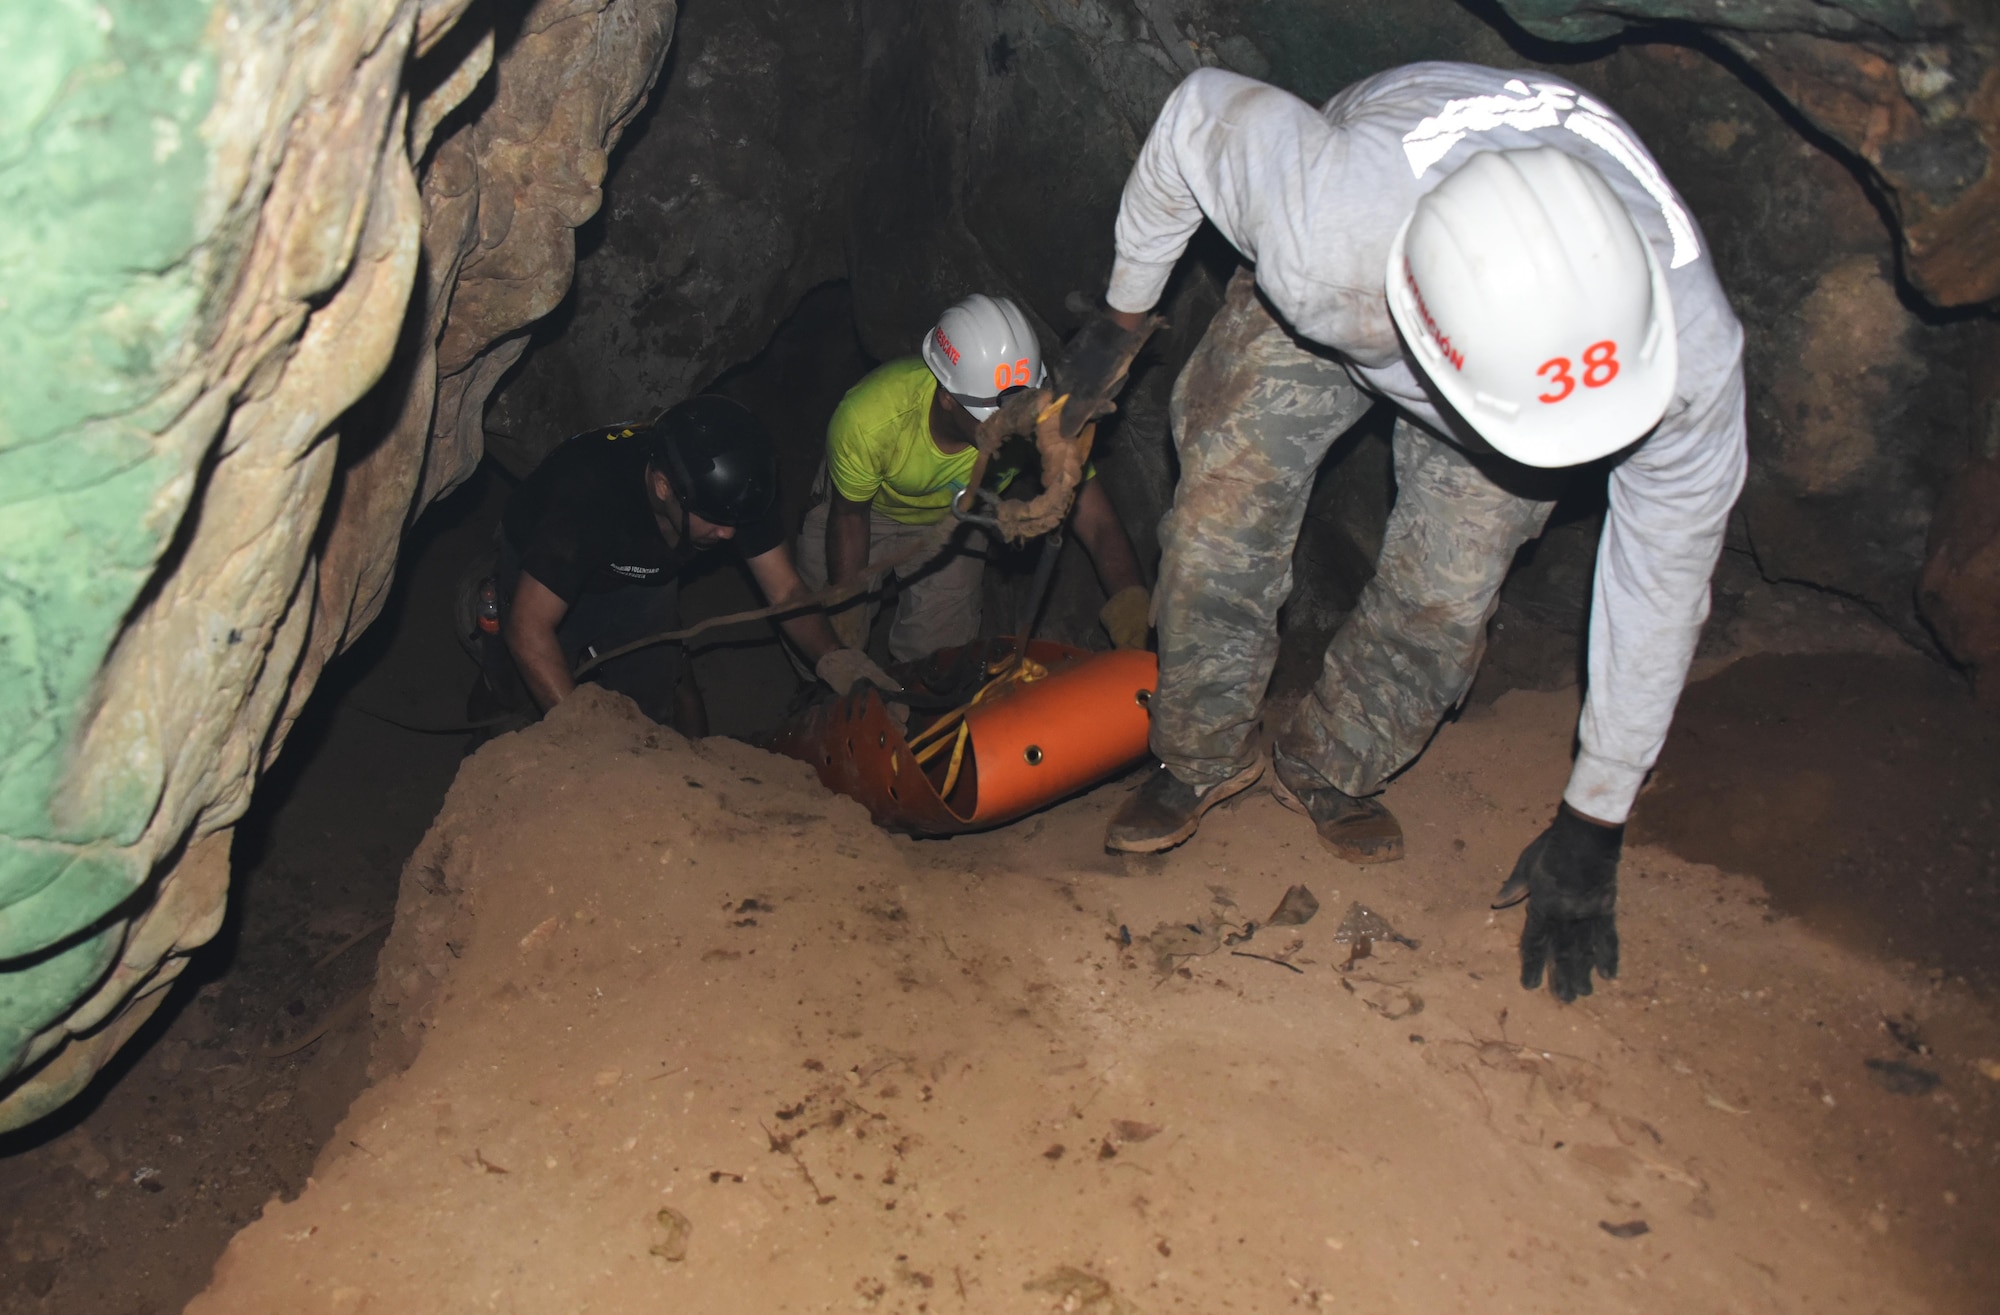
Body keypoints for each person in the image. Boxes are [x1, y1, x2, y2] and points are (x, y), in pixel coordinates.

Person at [1095, 65, 1748, 1003]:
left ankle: (1330, 759)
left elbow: (1664, 577)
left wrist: (1597, 815)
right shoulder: (1328, 233)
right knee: (1219, 514)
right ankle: (1197, 755)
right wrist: (1118, 326)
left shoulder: (1685, 357)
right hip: (1349, 293)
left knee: (1451, 584)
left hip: (1522, 345)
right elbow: (1193, 113)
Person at [477, 394, 894, 734]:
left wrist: (837, 660)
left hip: (644, 578)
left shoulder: (733, 496)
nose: (729, 535)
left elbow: (785, 591)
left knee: (652, 692)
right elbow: (530, 630)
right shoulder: (588, 500)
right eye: (716, 520)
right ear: (663, 487)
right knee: (518, 694)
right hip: (547, 565)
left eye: (735, 522)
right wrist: (582, 740)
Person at [793, 294, 1150, 664]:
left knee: (941, 660)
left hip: (957, 517)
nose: (1012, 427)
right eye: (995, 415)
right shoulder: (869, 420)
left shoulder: (1039, 423)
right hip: (864, 510)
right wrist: (845, 620)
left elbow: (1098, 521)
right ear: (947, 397)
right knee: (824, 637)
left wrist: (1131, 608)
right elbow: (850, 518)